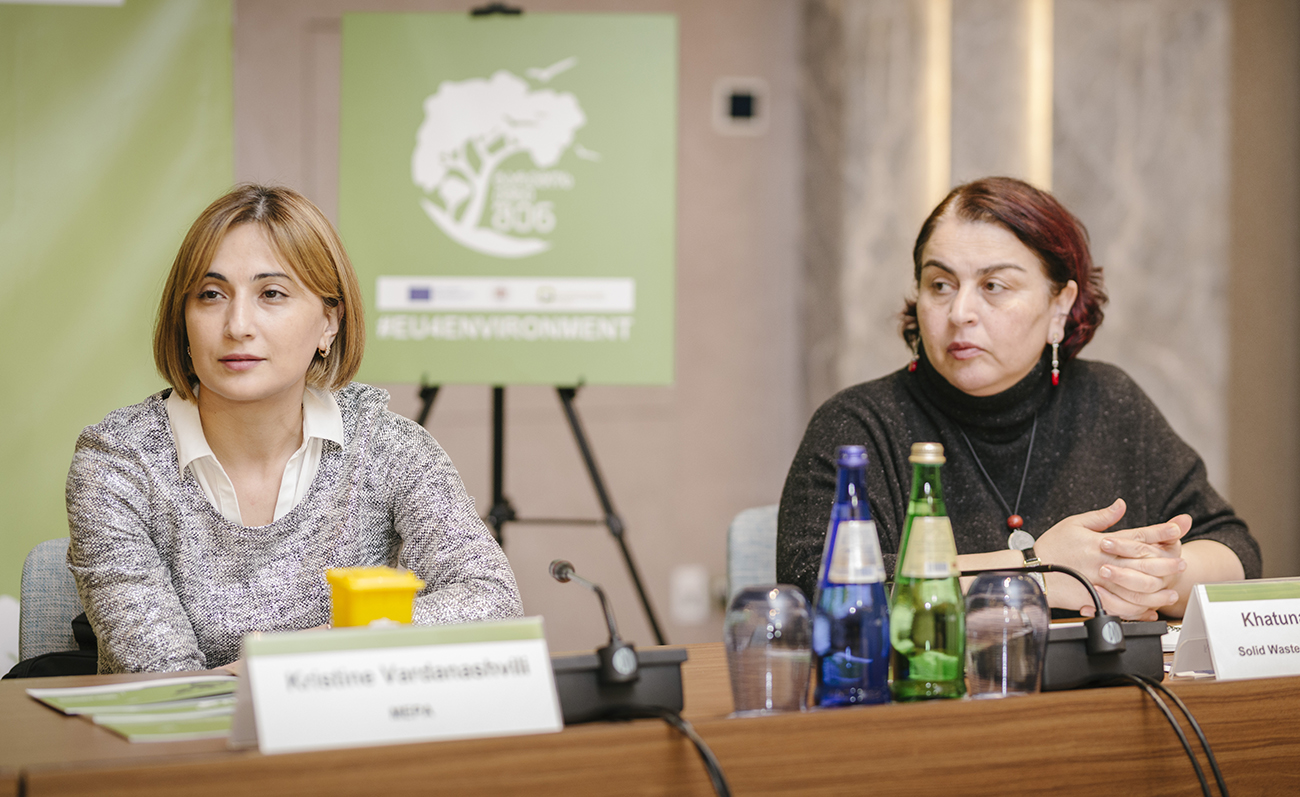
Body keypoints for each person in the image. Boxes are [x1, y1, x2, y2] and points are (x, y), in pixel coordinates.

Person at [66, 185, 522, 674]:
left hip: (348, 721)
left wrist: (320, 647)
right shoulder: (117, 462)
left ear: (329, 322)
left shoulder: (388, 446)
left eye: (272, 294)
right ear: (184, 318)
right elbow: (165, 684)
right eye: (211, 294)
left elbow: (493, 601)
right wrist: (332, 654)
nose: (238, 325)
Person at [777, 176, 1259, 620]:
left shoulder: (1110, 400)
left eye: (994, 286)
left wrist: (1144, 578)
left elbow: (1234, 550)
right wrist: (1035, 573)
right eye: (940, 285)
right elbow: (818, 586)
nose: (960, 312)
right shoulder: (857, 425)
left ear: (1059, 306)